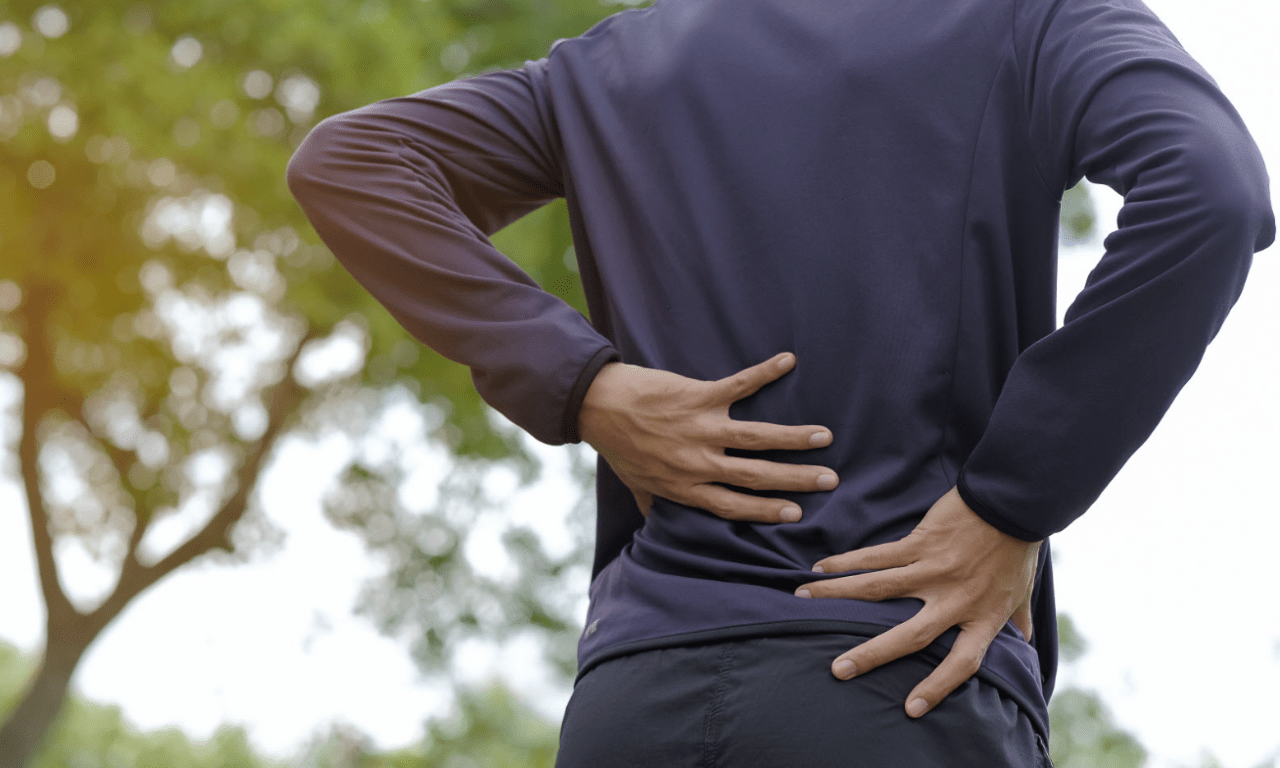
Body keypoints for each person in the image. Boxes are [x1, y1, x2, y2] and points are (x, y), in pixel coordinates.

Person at [286, 0, 1274, 762]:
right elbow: (1210, 189)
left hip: (637, 706)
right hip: (902, 683)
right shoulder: (1030, 20)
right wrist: (1009, 501)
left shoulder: (612, 64)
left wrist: (583, 385)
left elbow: (352, 159)